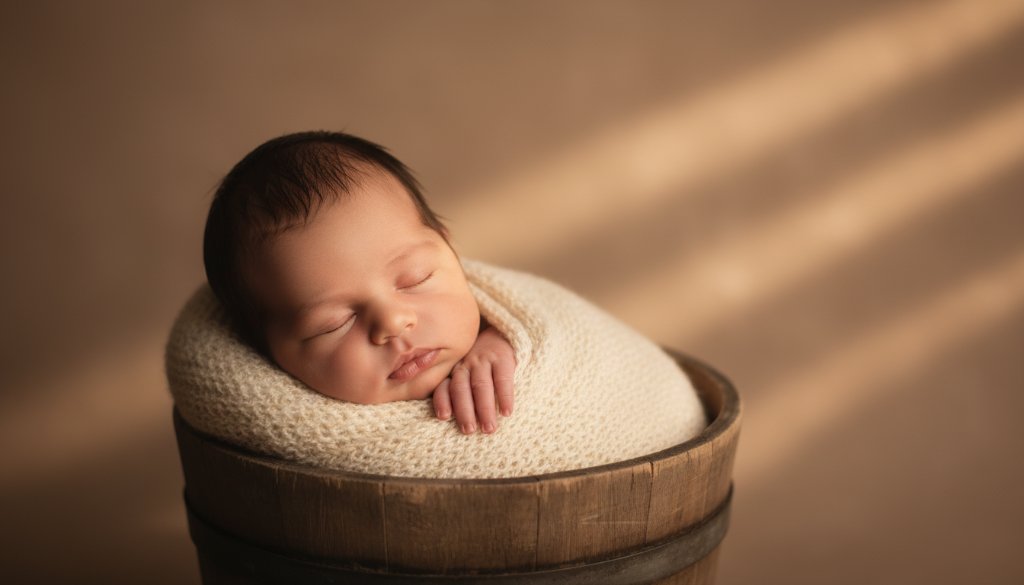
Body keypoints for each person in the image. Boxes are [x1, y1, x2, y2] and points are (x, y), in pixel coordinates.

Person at [203, 131, 514, 435]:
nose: (392, 322)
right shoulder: (302, 432)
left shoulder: (502, 331)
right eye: (334, 324)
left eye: (416, 278)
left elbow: (548, 322)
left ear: (450, 248)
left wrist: (501, 339)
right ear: (267, 353)